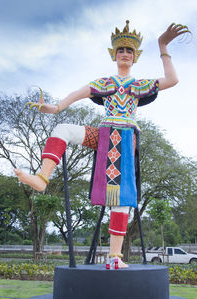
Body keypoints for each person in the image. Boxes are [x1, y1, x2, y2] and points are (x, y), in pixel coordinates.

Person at [14, 21, 189, 268]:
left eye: (129, 50)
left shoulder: (138, 85)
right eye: (121, 50)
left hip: (125, 138)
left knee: (122, 199)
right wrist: (53, 108)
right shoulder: (104, 83)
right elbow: (72, 97)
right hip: (103, 134)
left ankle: (114, 256)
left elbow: (172, 79)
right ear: (114, 55)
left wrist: (162, 45)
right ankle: (42, 178)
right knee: (62, 129)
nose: (125, 54)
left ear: (135, 56)